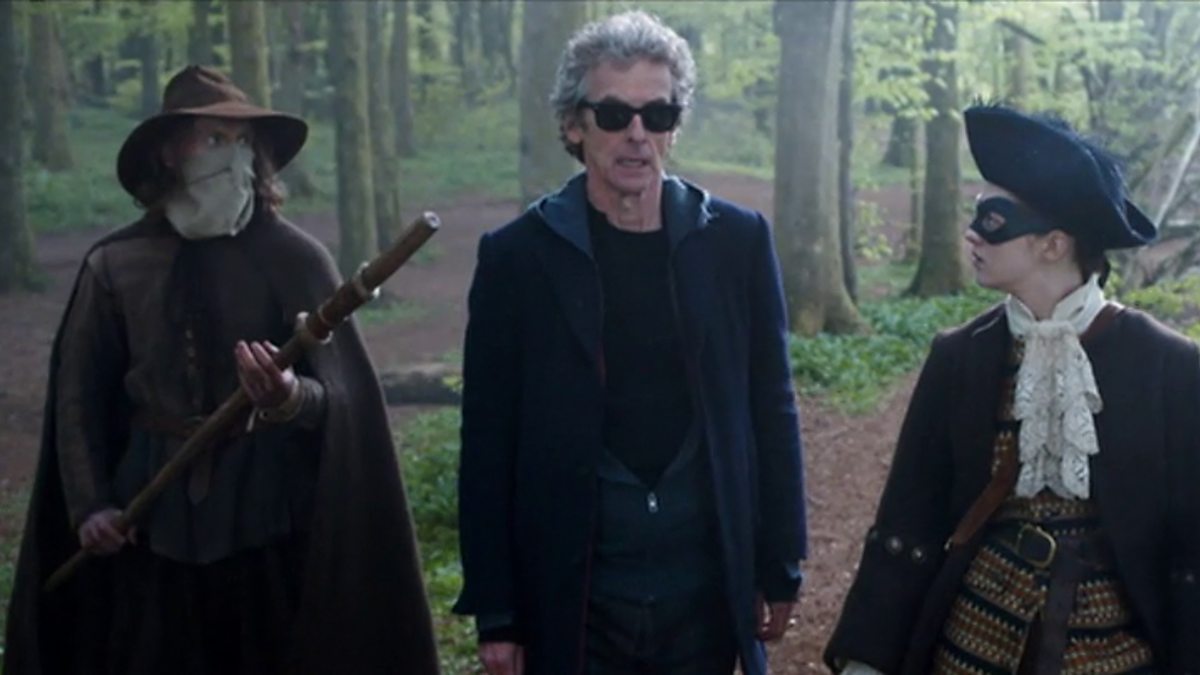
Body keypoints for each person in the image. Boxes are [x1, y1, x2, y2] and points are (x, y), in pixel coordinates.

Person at [3, 65, 439, 675]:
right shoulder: (116, 264)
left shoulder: (295, 257)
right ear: (168, 152)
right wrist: (90, 506)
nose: (232, 155)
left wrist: (289, 397)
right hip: (148, 523)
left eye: (242, 141)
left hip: (264, 524)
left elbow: (343, 400)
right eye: (213, 138)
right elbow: (79, 399)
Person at [454, 11, 807, 675]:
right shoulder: (517, 258)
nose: (637, 135)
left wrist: (781, 560)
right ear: (574, 124)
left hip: (703, 589)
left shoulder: (736, 243)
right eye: (614, 114)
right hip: (575, 591)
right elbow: (488, 439)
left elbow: (772, 406)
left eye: (658, 114)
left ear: (675, 125)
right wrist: (497, 610)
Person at [825, 104, 1199, 674]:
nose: (972, 234)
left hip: (1112, 653)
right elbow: (910, 518)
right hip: (973, 644)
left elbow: (1190, 547)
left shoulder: (1169, 367)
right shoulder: (959, 357)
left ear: (1053, 244)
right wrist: (866, 662)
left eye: (993, 219)